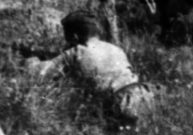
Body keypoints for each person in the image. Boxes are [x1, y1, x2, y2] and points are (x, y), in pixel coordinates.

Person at [26, 11, 159, 124]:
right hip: (145, 97)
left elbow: (40, 73)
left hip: (119, 106)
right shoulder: (115, 48)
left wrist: (32, 60)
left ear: (75, 37)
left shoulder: (77, 51)